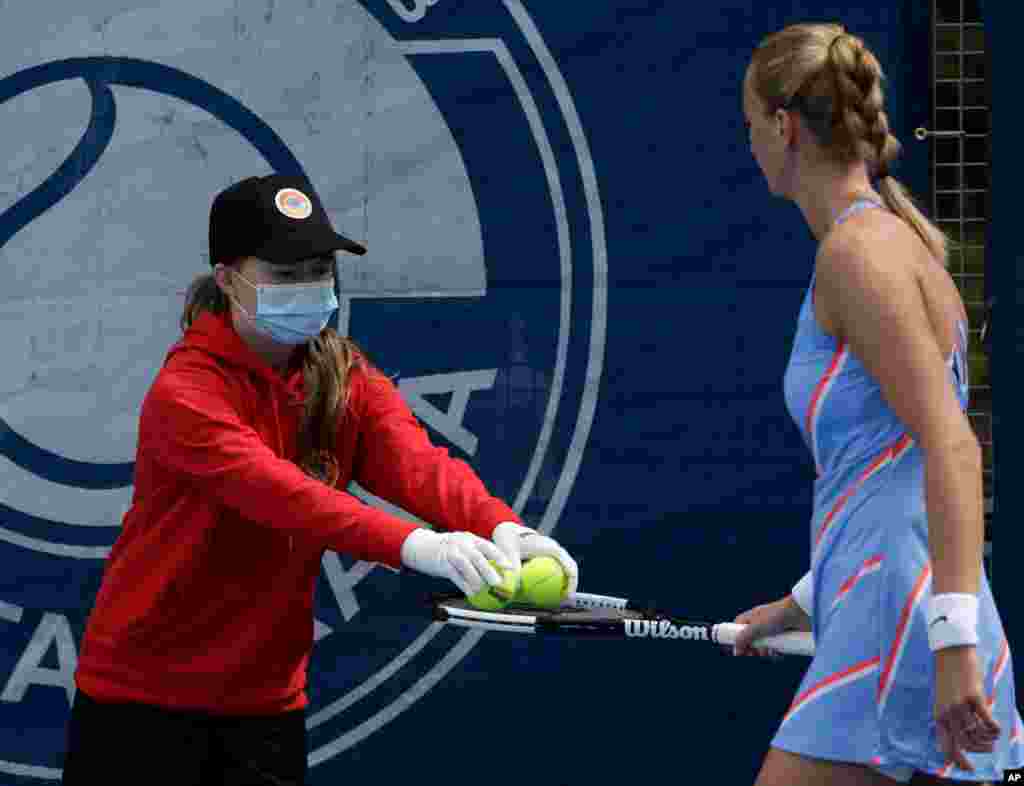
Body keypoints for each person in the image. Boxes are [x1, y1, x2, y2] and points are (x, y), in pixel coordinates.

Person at [60, 173, 579, 786]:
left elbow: (416, 462)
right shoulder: (186, 392)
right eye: (284, 275)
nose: (308, 287)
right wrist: (422, 546)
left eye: (318, 269)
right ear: (229, 281)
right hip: (141, 702)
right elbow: (286, 497)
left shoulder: (344, 372)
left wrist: (502, 524)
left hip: (264, 703)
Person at [731, 23, 1023, 785]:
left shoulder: (858, 255)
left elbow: (951, 446)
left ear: (782, 126)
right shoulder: (899, 245)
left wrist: (952, 641)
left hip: (904, 616)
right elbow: (886, 466)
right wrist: (801, 601)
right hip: (910, 602)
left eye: (749, 126)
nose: (751, 146)